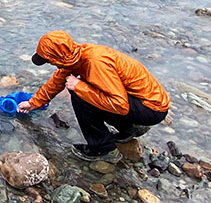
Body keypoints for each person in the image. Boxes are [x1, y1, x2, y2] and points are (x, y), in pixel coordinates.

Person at [17, 30, 170, 161]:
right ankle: (130, 129)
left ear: (58, 58)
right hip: (143, 102)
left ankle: (104, 149)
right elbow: (56, 81)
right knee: (84, 90)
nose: (52, 65)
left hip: (151, 108)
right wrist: (33, 103)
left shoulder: (96, 62)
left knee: (79, 94)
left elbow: (120, 105)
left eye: (51, 61)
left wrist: (80, 87)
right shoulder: (76, 55)